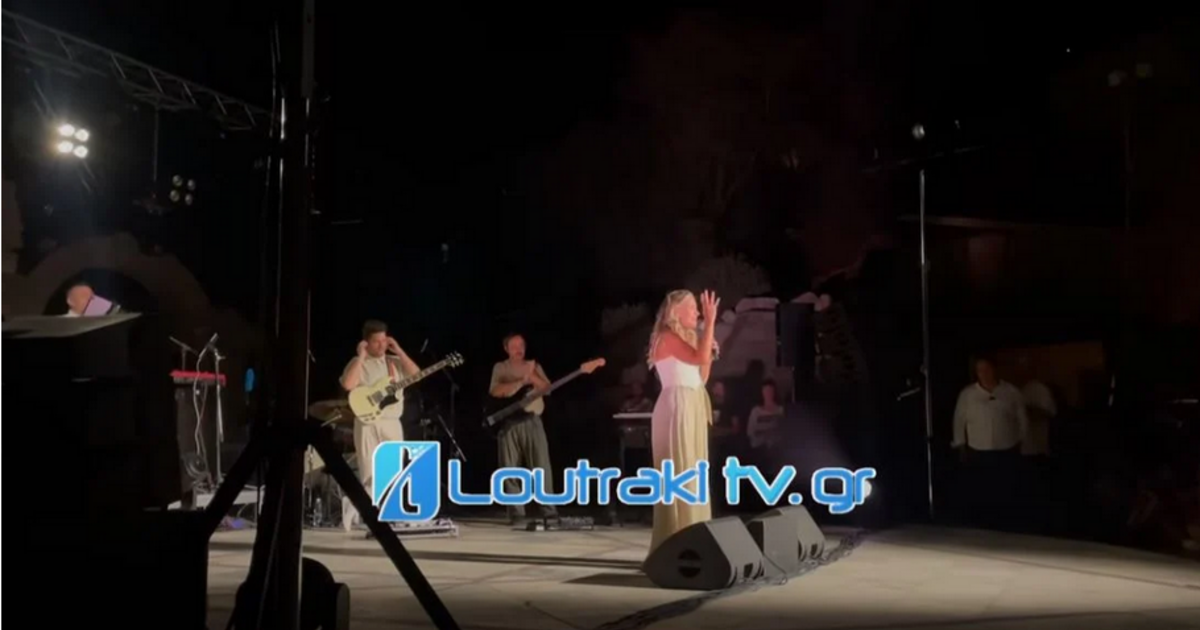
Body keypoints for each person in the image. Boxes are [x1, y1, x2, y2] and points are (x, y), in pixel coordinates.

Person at [645, 289, 719, 557]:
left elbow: (702, 377)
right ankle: (675, 541)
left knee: (693, 471)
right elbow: (700, 358)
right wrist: (709, 323)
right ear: (675, 311)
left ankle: (695, 537)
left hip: (692, 403)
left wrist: (707, 342)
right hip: (677, 406)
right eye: (692, 307)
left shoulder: (685, 340)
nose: (697, 312)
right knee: (681, 471)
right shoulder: (666, 337)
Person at [339, 319, 420, 532]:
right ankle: (366, 511)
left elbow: (416, 375)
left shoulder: (394, 362)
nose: (382, 345)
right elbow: (348, 384)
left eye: (384, 340)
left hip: (391, 422)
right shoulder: (358, 362)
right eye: (376, 341)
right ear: (366, 342)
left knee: (392, 470)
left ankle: (354, 504)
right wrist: (361, 356)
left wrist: (399, 350)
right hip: (367, 423)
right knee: (368, 472)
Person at [488, 333, 560, 527]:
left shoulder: (534, 366)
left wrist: (531, 375)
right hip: (510, 422)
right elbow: (495, 391)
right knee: (509, 468)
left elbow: (547, 388)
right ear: (506, 349)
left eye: (521, 345)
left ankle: (549, 510)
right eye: (513, 346)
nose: (518, 349)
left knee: (541, 466)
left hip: (532, 420)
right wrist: (521, 381)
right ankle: (516, 513)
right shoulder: (500, 367)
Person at [951, 355, 1028, 529]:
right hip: (978, 449)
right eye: (980, 370)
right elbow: (959, 420)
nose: (984, 374)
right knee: (982, 490)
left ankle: (1007, 524)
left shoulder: (1011, 392)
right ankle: (983, 524)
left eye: (987, 369)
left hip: (1006, 448)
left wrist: (1021, 440)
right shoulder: (968, 394)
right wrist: (960, 444)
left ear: (994, 369)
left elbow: (1022, 419)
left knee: (1006, 489)